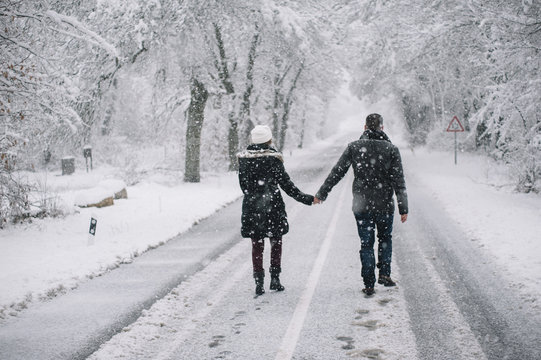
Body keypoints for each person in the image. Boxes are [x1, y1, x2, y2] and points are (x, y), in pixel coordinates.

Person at [314, 113, 408, 296]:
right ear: (382, 128)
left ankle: (369, 283)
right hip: (385, 205)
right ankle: (385, 273)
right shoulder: (391, 149)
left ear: (364, 127)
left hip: (362, 205)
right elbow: (399, 181)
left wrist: (322, 193)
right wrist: (403, 208)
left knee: (366, 243)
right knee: (385, 238)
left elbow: (337, 172)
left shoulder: (355, 147)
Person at [237, 125, 315, 296]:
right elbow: (287, 185)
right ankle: (275, 279)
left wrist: (254, 196)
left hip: (252, 207)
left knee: (257, 245)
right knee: (276, 243)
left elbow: (243, 186)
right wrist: (306, 199)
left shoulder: (244, 160)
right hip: (272, 206)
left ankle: (258, 282)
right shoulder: (273, 159)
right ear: (269, 140)